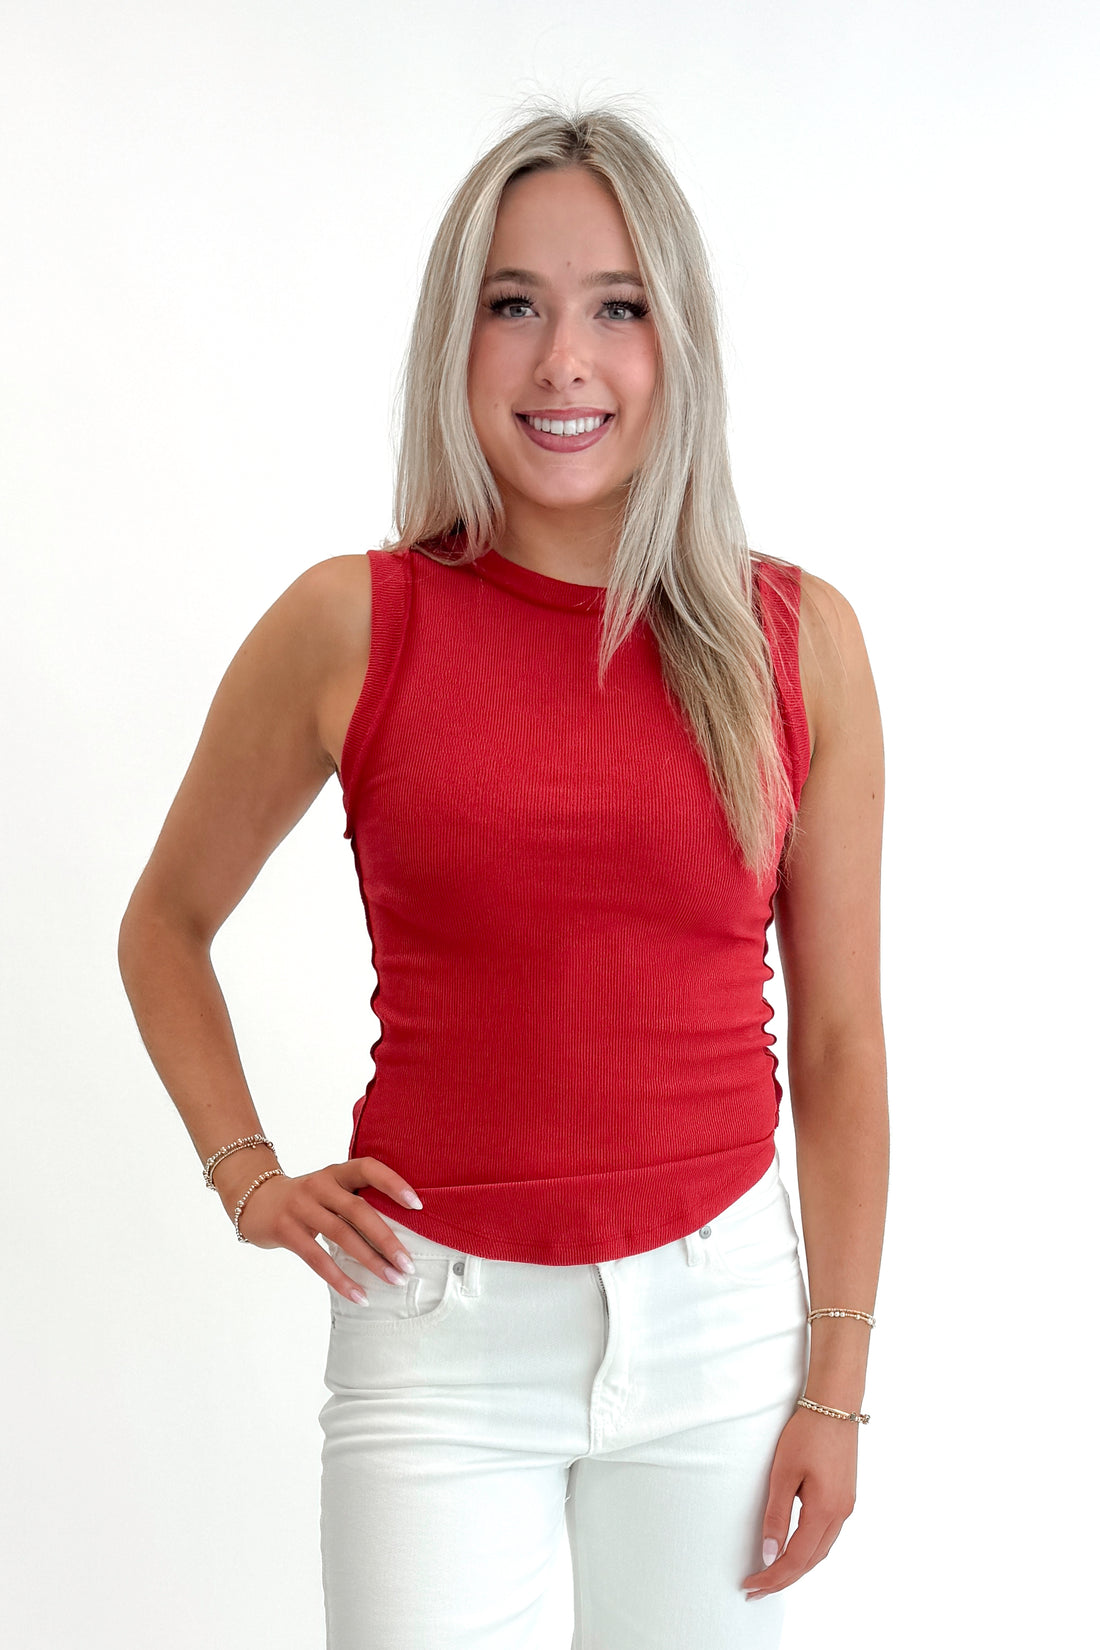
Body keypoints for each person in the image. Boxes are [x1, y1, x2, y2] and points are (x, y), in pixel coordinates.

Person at [118, 100, 888, 1650]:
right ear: (453, 337)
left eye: (618, 309)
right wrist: (247, 1173)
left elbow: (846, 1042)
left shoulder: (797, 643)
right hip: (437, 1333)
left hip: (725, 1318)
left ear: (679, 344)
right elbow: (166, 926)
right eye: (514, 306)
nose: (564, 364)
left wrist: (836, 1384)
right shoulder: (354, 624)